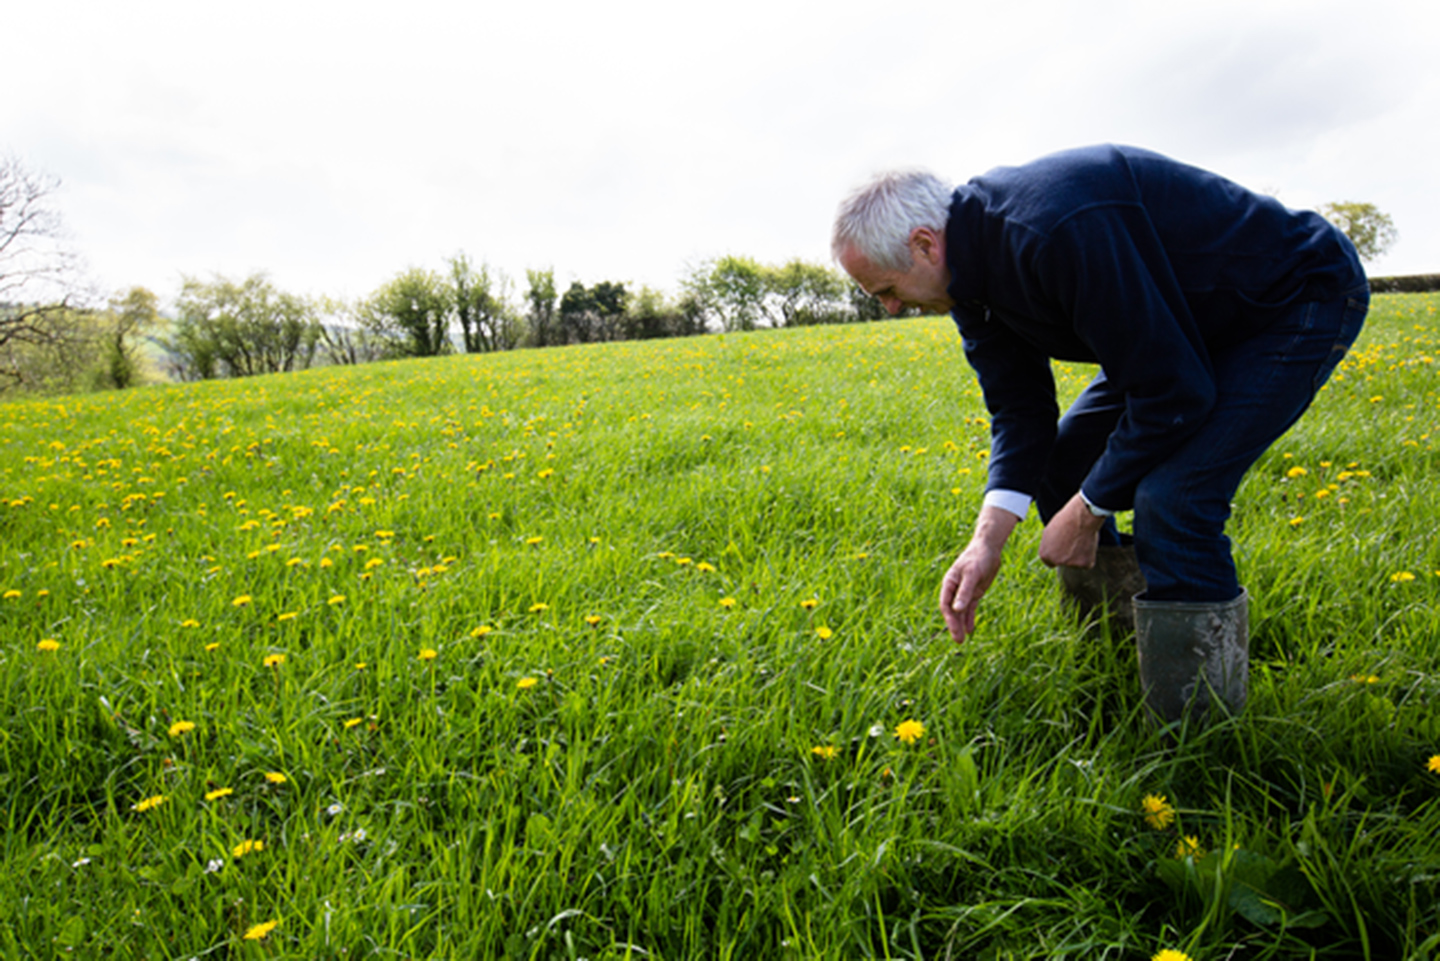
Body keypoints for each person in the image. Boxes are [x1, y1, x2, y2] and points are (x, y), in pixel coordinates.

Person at [832, 145, 1368, 726]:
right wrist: (987, 540)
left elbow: (1172, 393)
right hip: (1178, 332)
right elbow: (1019, 411)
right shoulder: (970, 282)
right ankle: (1123, 650)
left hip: (1287, 301)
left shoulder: (1052, 230)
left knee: (1175, 497)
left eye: (884, 289)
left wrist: (1088, 510)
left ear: (923, 244)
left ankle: (1197, 728)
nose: (889, 309)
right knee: (1063, 467)